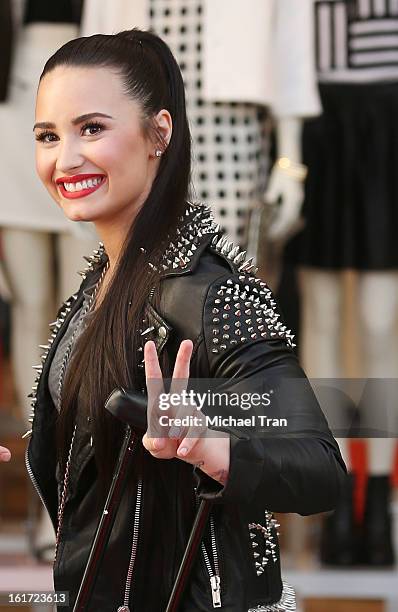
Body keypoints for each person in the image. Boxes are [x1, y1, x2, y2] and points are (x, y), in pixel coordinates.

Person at [13, 28, 347, 611]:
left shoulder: (210, 292)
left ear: (158, 133)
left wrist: (212, 446)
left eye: (92, 128)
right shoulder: (103, 283)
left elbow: (319, 466)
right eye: (48, 135)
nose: (65, 158)